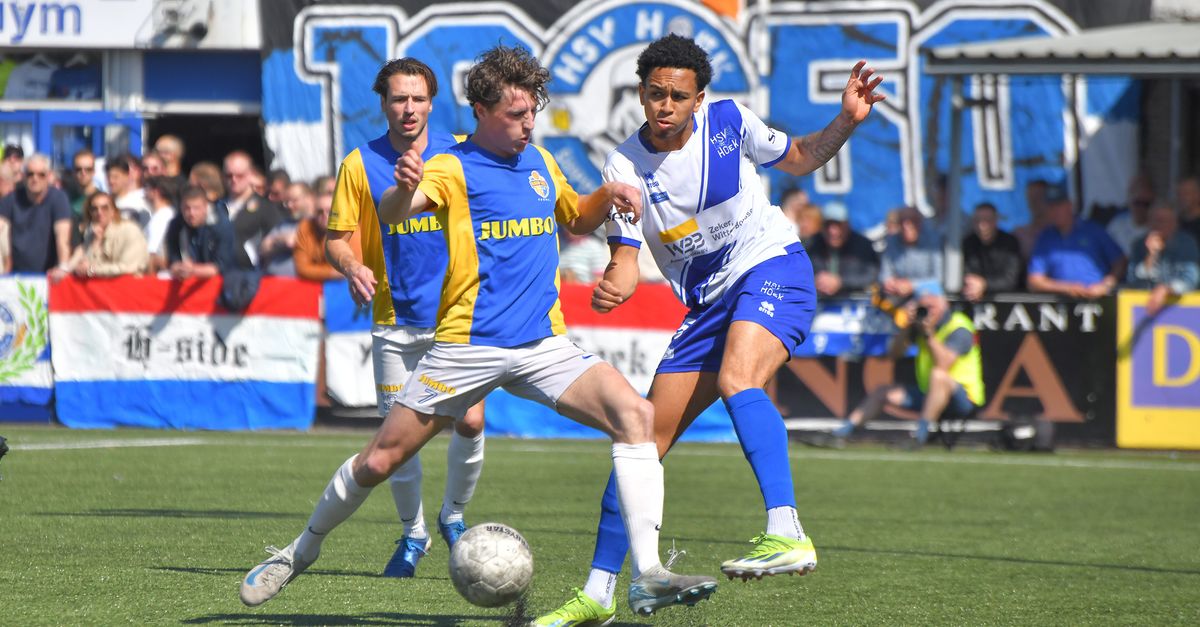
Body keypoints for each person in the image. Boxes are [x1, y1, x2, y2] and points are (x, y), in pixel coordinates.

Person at [241, 45, 717, 617]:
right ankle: (300, 552)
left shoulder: (539, 161)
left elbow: (576, 218)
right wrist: (399, 186)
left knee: (635, 416)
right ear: (482, 111)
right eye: (516, 116)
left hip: (543, 344)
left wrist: (606, 197)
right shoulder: (449, 166)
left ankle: (648, 573)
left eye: (532, 113)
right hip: (468, 348)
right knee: (378, 461)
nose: (528, 124)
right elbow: (395, 212)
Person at [535, 35, 885, 625]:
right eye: (654, 93)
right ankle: (599, 593)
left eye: (677, 94)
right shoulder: (623, 165)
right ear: (641, 95)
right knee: (640, 441)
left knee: (737, 378)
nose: (665, 104)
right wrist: (618, 278)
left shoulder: (730, 121)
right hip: (705, 306)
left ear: (699, 99)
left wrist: (845, 122)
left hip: (772, 265)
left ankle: (787, 529)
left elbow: (798, 155)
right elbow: (624, 249)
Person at [319, 57, 487, 580]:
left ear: (432, 102)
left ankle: (453, 517)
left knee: (473, 418)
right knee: (398, 441)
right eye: (398, 99)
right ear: (384, 103)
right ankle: (414, 532)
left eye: (417, 99)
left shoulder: (463, 153)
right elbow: (335, 238)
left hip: (458, 318)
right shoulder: (359, 162)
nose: (408, 108)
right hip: (394, 323)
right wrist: (351, 264)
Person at [817, 283, 984, 448]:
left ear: (944, 303)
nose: (928, 312)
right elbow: (894, 354)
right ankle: (843, 432)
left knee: (938, 375)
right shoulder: (920, 325)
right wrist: (905, 328)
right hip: (929, 395)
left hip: (964, 398)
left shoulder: (959, 327)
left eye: (931, 306)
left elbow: (944, 364)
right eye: (923, 307)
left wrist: (928, 334)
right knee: (882, 392)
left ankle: (920, 436)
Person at [1027, 183, 1125, 298]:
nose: (1055, 211)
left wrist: (1106, 284)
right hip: (1061, 303)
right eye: (1051, 207)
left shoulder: (1092, 230)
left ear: (1069, 205)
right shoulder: (1045, 237)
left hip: (1097, 299)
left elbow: (1120, 261)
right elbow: (1034, 280)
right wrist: (1067, 288)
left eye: (1059, 206)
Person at [49, 191, 148, 281]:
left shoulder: (130, 230)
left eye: (105, 208)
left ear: (114, 211)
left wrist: (92, 270)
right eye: (94, 209)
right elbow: (83, 260)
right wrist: (64, 270)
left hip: (130, 289)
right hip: (103, 291)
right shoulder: (92, 232)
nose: (99, 212)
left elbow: (128, 268)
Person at [0, 154, 72, 274]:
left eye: (41, 174)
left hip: (49, 276)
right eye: (30, 174)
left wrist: (63, 267)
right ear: (23, 176)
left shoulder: (59, 198)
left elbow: (63, 238)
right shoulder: (10, 200)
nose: (35, 178)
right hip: (16, 276)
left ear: (48, 176)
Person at [1126, 204, 1200, 317]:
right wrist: (1151, 255)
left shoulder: (1186, 243)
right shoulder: (1139, 245)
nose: (1159, 225)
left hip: (1182, 309)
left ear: (1175, 223)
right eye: (1156, 220)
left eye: (1164, 221)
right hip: (1144, 309)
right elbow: (1133, 280)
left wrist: (1166, 289)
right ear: (1149, 222)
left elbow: (1190, 280)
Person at [222, 150, 282, 269]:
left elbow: (275, 242)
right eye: (229, 175)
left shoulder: (266, 208)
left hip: (252, 276)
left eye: (239, 175)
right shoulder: (217, 207)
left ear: (250, 175)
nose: (234, 179)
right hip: (220, 276)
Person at [807, 200, 879, 296]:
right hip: (820, 303)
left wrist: (841, 282)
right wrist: (817, 279)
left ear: (847, 225)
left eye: (838, 225)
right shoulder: (812, 244)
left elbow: (872, 274)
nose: (833, 231)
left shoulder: (863, 245)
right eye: (828, 225)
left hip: (854, 302)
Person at [165, 185, 236, 279]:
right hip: (186, 279)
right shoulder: (176, 225)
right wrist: (178, 267)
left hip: (223, 282)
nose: (191, 213)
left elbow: (220, 266)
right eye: (187, 208)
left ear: (206, 206)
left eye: (196, 208)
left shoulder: (222, 225)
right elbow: (173, 260)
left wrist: (192, 270)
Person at [962, 201, 1023, 300]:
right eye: (977, 220)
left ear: (996, 220)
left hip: (1007, 304)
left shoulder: (1010, 243)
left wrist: (985, 284)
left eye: (987, 220)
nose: (982, 226)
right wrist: (973, 284)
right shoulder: (968, 243)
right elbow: (965, 273)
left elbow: (1010, 279)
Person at [880, 206, 942, 298]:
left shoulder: (934, 242)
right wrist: (889, 283)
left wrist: (913, 286)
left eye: (912, 221)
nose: (906, 226)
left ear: (920, 223)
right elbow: (884, 274)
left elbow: (939, 279)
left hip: (928, 297)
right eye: (902, 222)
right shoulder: (891, 241)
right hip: (898, 299)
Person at [259, 181, 311, 277]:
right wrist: (279, 239)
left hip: (299, 285)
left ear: (308, 198)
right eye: (287, 202)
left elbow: (291, 242)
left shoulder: (314, 223)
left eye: (294, 201)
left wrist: (276, 241)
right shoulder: (283, 224)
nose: (289, 205)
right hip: (271, 280)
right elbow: (263, 248)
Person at [294, 189, 341, 282]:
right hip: (314, 286)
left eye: (330, 211)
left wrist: (315, 270)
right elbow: (301, 268)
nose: (324, 215)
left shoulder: (352, 229)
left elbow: (352, 268)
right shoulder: (305, 227)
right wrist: (331, 273)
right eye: (320, 211)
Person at [1106, 175, 1155, 256]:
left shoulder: (1158, 228)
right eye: (1137, 203)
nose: (1141, 208)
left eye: (1146, 204)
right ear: (1129, 201)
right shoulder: (1117, 225)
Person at [143, 175, 179, 273]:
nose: (144, 192)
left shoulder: (162, 217)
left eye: (147, 188)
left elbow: (152, 253)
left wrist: (149, 281)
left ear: (156, 191)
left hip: (159, 276)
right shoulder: (162, 215)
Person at [106, 154, 151, 229]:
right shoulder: (107, 202)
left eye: (115, 177)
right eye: (108, 177)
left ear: (127, 176)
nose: (111, 181)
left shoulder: (141, 201)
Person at [1013, 179, 1049, 261]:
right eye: (1031, 198)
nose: (1034, 203)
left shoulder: (1059, 233)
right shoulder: (1020, 235)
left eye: (1039, 197)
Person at [1177, 175, 1200, 246]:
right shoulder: (1175, 222)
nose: (1182, 197)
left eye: (1186, 193)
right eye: (1179, 194)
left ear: (1198, 195)